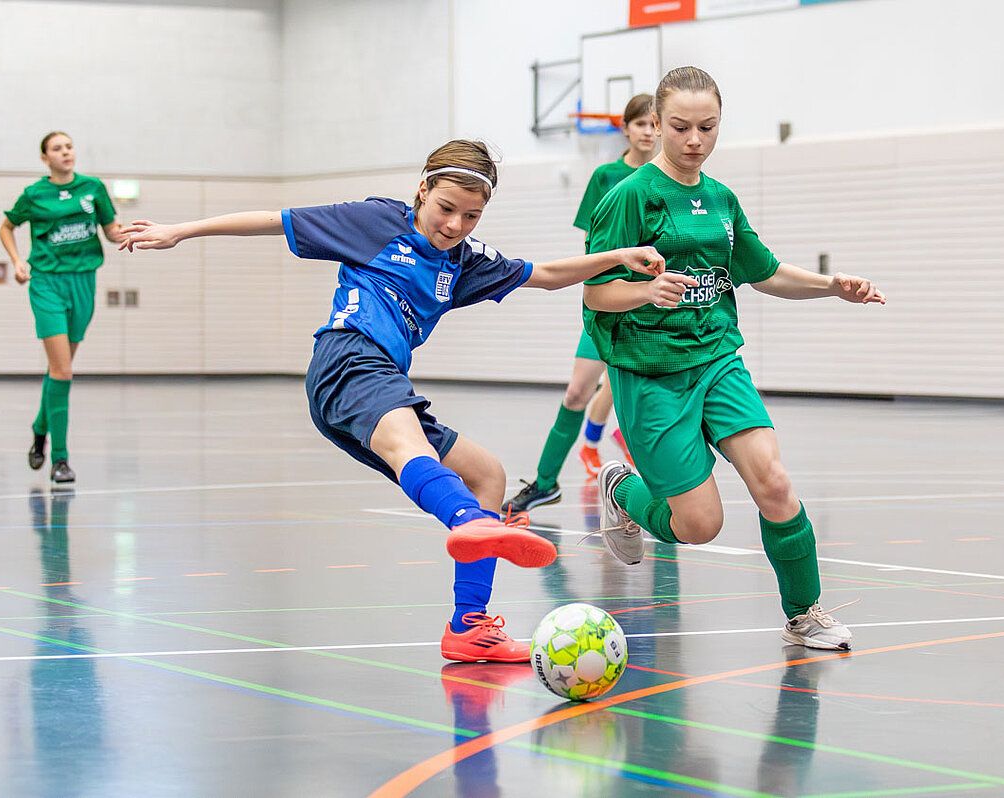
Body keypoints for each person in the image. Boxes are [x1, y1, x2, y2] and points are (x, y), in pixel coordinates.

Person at [119, 139, 664, 663]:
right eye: (447, 208)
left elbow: (545, 276)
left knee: (488, 477)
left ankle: (470, 629)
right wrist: (180, 231)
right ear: (423, 189)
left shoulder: (466, 261)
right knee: (416, 452)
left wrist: (617, 256)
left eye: (470, 216)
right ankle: (464, 521)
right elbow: (272, 218)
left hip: (384, 381)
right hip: (348, 359)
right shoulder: (377, 222)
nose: (454, 226)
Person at [583, 67, 885, 651]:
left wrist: (831, 285)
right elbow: (596, 292)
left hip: (718, 357)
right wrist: (645, 290)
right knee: (699, 525)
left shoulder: (721, 199)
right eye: (680, 127)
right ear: (660, 125)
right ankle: (623, 491)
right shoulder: (630, 196)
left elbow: (764, 272)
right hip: (650, 373)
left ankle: (804, 614)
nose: (694, 139)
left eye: (707, 127)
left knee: (773, 480)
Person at [503, 94, 657, 514]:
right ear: (625, 129)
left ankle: (664, 493)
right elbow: (592, 246)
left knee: (643, 402)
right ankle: (546, 482)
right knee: (576, 392)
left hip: (655, 312)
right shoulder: (607, 177)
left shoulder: (674, 181)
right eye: (641, 123)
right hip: (609, 305)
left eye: (655, 124)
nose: (648, 131)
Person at [0, 131, 122, 485]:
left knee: (59, 370)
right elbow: (6, 228)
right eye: (57, 148)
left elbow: (111, 230)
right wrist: (17, 261)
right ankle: (60, 459)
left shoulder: (93, 188)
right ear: (45, 158)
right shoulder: (34, 195)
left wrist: (134, 235)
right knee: (63, 371)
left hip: (83, 281)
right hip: (47, 283)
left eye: (69, 146)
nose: (65, 152)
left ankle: (40, 428)